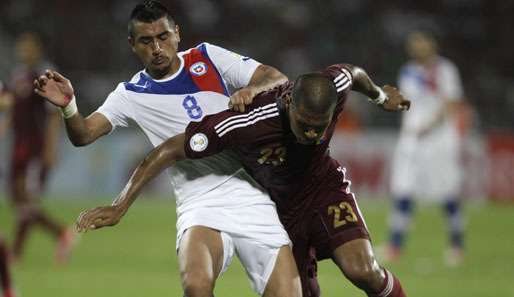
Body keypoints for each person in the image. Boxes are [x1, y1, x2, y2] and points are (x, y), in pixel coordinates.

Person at [34, 1, 301, 296]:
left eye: (163, 37)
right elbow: (83, 135)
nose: (157, 48)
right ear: (132, 45)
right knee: (196, 286)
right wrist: (69, 107)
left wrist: (251, 89)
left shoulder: (208, 57)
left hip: (253, 193)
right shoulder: (131, 94)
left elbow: (276, 78)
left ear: (177, 33)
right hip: (200, 202)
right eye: (146, 41)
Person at [76, 63, 410, 297]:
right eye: (304, 124)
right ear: (290, 103)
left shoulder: (331, 87)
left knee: (363, 269)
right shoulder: (247, 122)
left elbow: (351, 73)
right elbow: (171, 149)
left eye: (318, 127)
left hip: (324, 189)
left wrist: (380, 97)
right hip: (278, 209)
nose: (310, 134)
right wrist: (120, 206)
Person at [387, 31, 465, 265]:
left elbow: (451, 103)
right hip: (412, 140)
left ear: (432, 44)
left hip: (439, 140)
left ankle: (456, 245)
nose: (416, 47)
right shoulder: (408, 71)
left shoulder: (445, 70)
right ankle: (395, 246)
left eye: (420, 42)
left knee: (447, 191)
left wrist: (429, 126)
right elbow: (407, 104)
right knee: (403, 188)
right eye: (413, 43)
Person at [3, 31, 74, 263]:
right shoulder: (17, 75)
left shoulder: (45, 74)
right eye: (22, 46)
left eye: (29, 46)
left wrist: (50, 149)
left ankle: (17, 252)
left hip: (36, 147)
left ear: (38, 48)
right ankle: (62, 233)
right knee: (19, 200)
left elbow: (53, 115)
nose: (24, 50)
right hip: (18, 147)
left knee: (28, 200)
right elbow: (13, 108)